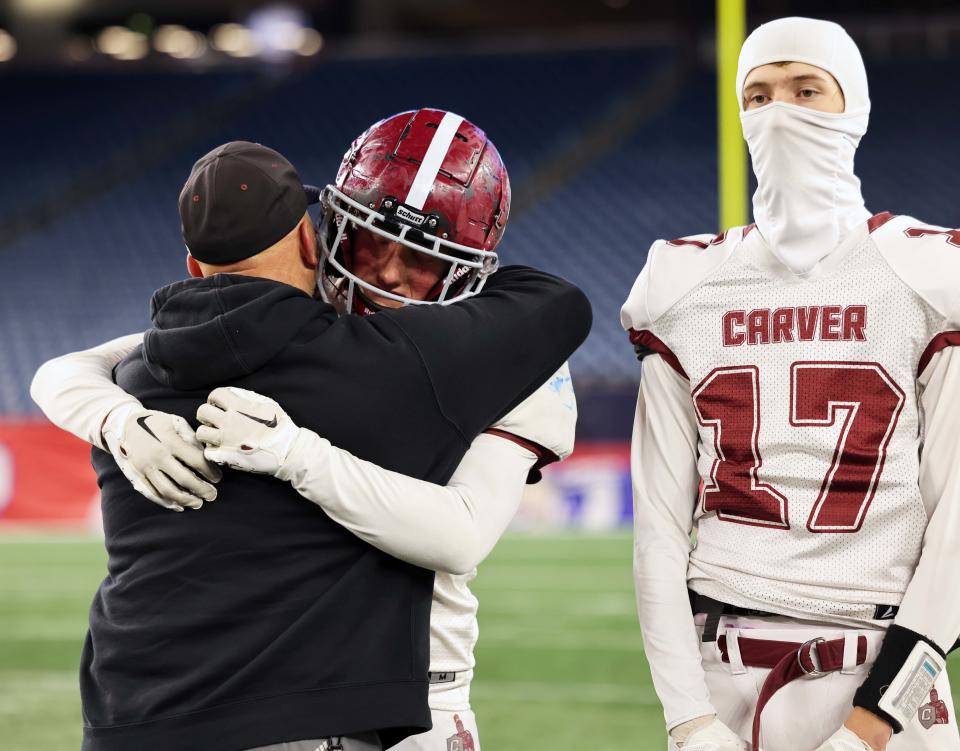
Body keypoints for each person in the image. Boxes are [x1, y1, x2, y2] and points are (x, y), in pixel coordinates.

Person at [32, 119, 591, 751]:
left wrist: (296, 454)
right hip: (318, 689)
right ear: (323, 230)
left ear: (468, 269)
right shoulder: (295, 318)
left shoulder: (502, 351)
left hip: (424, 685)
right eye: (366, 242)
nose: (386, 274)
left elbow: (460, 536)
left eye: (422, 258)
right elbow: (80, 364)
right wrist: (116, 418)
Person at [620, 17, 960, 751]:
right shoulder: (686, 284)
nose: (780, 111)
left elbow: (958, 525)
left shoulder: (926, 273)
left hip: (884, 672)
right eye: (759, 94)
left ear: (855, 109)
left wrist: (870, 725)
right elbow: (656, 527)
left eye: (808, 90)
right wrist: (688, 719)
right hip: (724, 672)